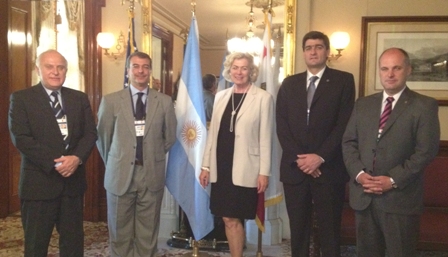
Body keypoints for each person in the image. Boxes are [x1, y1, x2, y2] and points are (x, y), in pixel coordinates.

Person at [342, 47, 440, 257]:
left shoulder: (424, 106)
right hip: (364, 196)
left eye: (396, 68)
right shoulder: (363, 104)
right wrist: (359, 175)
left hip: (400, 199)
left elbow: (426, 151)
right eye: (385, 68)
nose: (390, 74)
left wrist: (392, 179)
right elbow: (348, 143)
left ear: (408, 70)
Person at [8, 49, 97, 257]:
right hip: (38, 185)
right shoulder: (21, 99)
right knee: (36, 245)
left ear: (66, 71)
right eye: (49, 67)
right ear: (38, 69)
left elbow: (90, 133)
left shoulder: (79, 98)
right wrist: (56, 163)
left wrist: (76, 158)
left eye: (60, 67)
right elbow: (21, 138)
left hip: (72, 185)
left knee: (73, 244)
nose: (55, 72)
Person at [276, 31, 355, 257]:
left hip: (328, 169)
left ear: (327, 52)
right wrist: (301, 160)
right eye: (309, 47)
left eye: (319, 47)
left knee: (330, 231)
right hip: (295, 168)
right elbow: (281, 124)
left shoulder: (343, 80)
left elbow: (344, 123)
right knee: (298, 230)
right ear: (303, 53)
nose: (313, 51)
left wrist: (319, 157)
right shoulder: (289, 84)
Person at [96, 51, 177, 257]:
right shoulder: (111, 101)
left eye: (145, 67)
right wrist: (119, 161)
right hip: (120, 175)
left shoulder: (165, 102)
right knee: (119, 232)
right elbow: (103, 139)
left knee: (147, 233)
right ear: (128, 70)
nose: (141, 71)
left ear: (150, 71)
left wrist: (151, 155)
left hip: (151, 174)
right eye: (136, 66)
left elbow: (168, 138)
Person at [199, 52, 274, 257]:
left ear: (251, 72)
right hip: (221, 167)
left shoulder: (263, 98)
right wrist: (205, 166)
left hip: (246, 167)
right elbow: (212, 135)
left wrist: (264, 172)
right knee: (227, 218)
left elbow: (266, 138)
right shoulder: (221, 97)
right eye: (235, 67)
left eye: (243, 68)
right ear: (229, 70)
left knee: (235, 217)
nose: (239, 72)